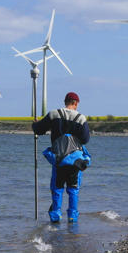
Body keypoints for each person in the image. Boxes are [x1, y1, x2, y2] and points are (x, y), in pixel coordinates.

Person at [32, 92, 91, 223]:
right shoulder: (81, 118)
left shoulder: (54, 114)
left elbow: (39, 130)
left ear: (65, 101)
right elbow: (85, 139)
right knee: (73, 189)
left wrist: (35, 125)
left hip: (58, 160)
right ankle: (72, 218)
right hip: (75, 162)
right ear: (75, 103)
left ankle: (55, 219)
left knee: (57, 188)